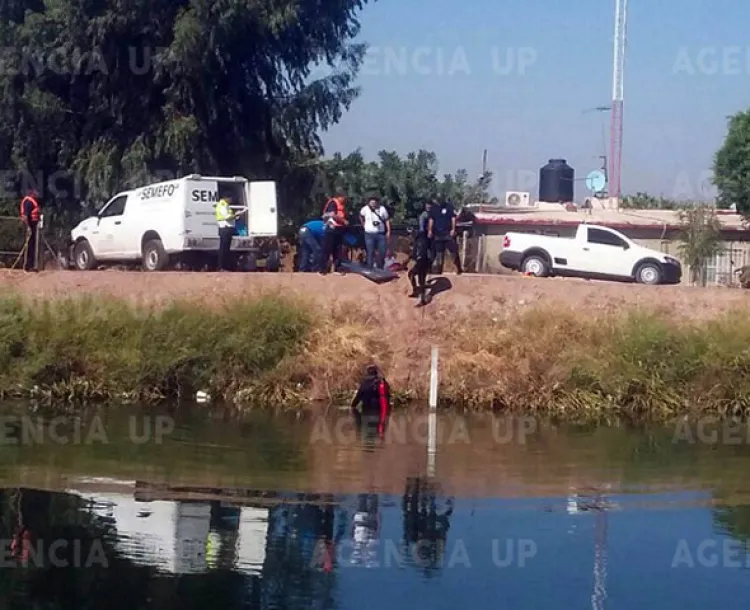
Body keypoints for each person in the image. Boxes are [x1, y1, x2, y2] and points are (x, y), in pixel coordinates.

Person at [350, 364, 392, 439]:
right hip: (380, 411)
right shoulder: (382, 383)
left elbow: (357, 398)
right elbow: (388, 395)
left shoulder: (364, 384)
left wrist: (352, 407)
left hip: (367, 411)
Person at [427, 199, 462, 275]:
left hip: (448, 234)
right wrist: (430, 230)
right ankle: (435, 270)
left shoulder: (449, 207)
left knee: (454, 252)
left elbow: (453, 218)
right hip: (437, 234)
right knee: (437, 254)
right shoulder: (434, 209)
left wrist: (453, 229)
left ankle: (459, 268)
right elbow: (431, 220)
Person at [408, 200, 433, 304]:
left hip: (422, 259)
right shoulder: (424, 239)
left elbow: (416, 252)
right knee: (417, 276)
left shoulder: (421, 238)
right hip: (424, 259)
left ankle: (420, 295)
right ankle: (418, 292)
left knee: (417, 276)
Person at [321, 191, 349, 274]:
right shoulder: (333, 203)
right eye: (344, 198)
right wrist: (343, 221)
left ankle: (338, 268)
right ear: (340, 197)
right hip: (331, 228)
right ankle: (323, 269)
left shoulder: (341, 205)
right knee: (327, 249)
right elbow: (333, 215)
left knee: (338, 250)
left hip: (339, 229)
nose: (344, 200)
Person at [359, 196, 390, 269]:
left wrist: (388, 231)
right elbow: (360, 216)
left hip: (380, 233)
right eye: (371, 202)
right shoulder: (365, 209)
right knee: (370, 252)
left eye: (374, 202)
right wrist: (363, 225)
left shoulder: (382, 209)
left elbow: (387, 220)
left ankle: (380, 268)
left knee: (382, 252)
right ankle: (370, 269)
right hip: (369, 233)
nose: (373, 204)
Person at [215, 194, 242, 271]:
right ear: (226, 198)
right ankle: (221, 267)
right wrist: (236, 214)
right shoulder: (223, 205)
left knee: (225, 249)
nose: (231, 200)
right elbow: (227, 217)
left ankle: (223, 267)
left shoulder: (224, 205)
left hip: (226, 228)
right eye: (230, 198)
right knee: (224, 249)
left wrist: (235, 217)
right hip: (225, 228)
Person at [19, 189, 40, 272]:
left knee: (32, 246)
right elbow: (25, 216)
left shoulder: (32, 201)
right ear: (32, 194)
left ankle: (30, 265)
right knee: (29, 246)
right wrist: (28, 227)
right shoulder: (29, 202)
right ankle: (28, 266)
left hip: (33, 226)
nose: (37, 195)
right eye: (36, 193)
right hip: (30, 226)